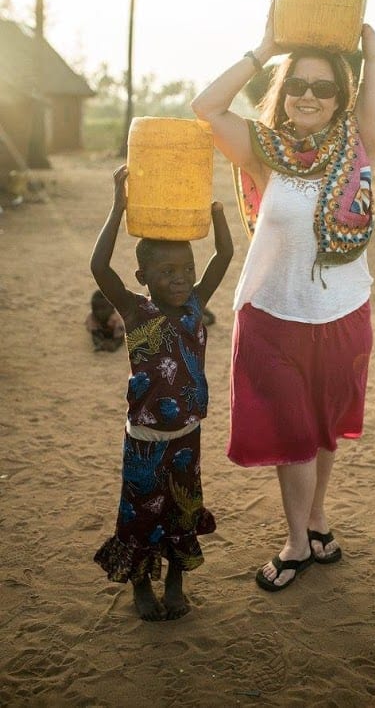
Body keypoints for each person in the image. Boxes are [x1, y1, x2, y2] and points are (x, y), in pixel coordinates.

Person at [191, 1, 375, 591]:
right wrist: (265, 48)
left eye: (323, 89)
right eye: (297, 84)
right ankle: (298, 541)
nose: (309, 96)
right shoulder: (261, 151)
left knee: (324, 429)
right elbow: (206, 108)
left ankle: (316, 519)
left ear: (340, 98)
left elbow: (372, 76)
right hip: (273, 314)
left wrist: (372, 53)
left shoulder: (358, 151)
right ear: (283, 89)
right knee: (293, 431)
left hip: (344, 313)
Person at [90, 164, 233, 620]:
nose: (180, 278)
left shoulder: (195, 304)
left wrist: (216, 213)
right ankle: (140, 587)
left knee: (182, 512)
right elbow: (98, 267)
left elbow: (224, 255)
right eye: (167, 270)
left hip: (187, 436)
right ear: (142, 277)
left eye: (186, 269)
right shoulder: (135, 313)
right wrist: (118, 208)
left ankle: (175, 580)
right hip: (146, 441)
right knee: (141, 517)